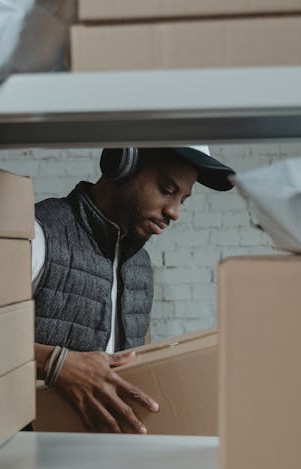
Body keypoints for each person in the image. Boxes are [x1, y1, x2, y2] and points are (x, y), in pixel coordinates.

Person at [32, 145, 234, 434]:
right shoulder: (38, 234)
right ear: (122, 164)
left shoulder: (141, 266)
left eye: (183, 200)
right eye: (166, 189)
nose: (174, 212)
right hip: (30, 456)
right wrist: (56, 363)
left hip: (111, 459)